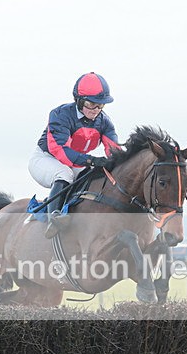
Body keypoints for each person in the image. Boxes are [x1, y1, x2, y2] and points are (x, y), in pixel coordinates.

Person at [29, 72, 120, 238]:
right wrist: (91, 160)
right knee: (64, 174)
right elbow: (60, 151)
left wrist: (119, 162)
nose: (96, 110)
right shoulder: (60, 115)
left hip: (74, 163)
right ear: (79, 100)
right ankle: (54, 218)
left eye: (101, 105)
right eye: (92, 104)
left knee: (94, 177)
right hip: (46, 158)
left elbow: (114, 149)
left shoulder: (104, 122)